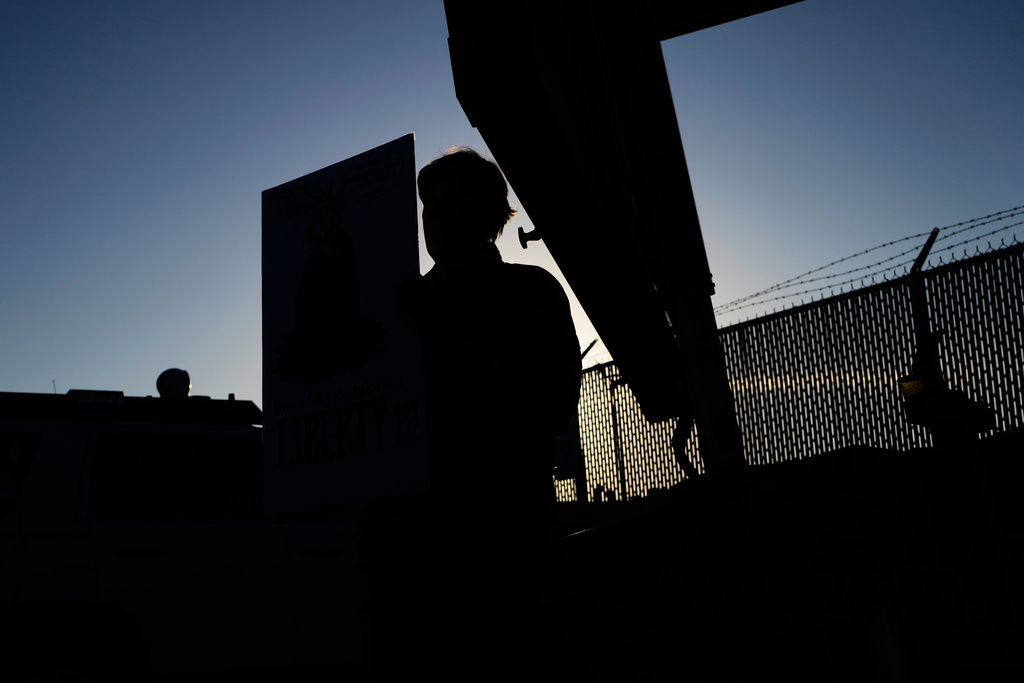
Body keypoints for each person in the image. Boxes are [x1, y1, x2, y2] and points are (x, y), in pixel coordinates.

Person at [358, 147, 581, 679]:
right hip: (404, 547)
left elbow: (544, 407)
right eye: (427, 204)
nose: (434, 215)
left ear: (489, 212)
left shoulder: (529, 291)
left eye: (450, 200)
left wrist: (437, 330)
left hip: (497, 536)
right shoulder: (391, 308)